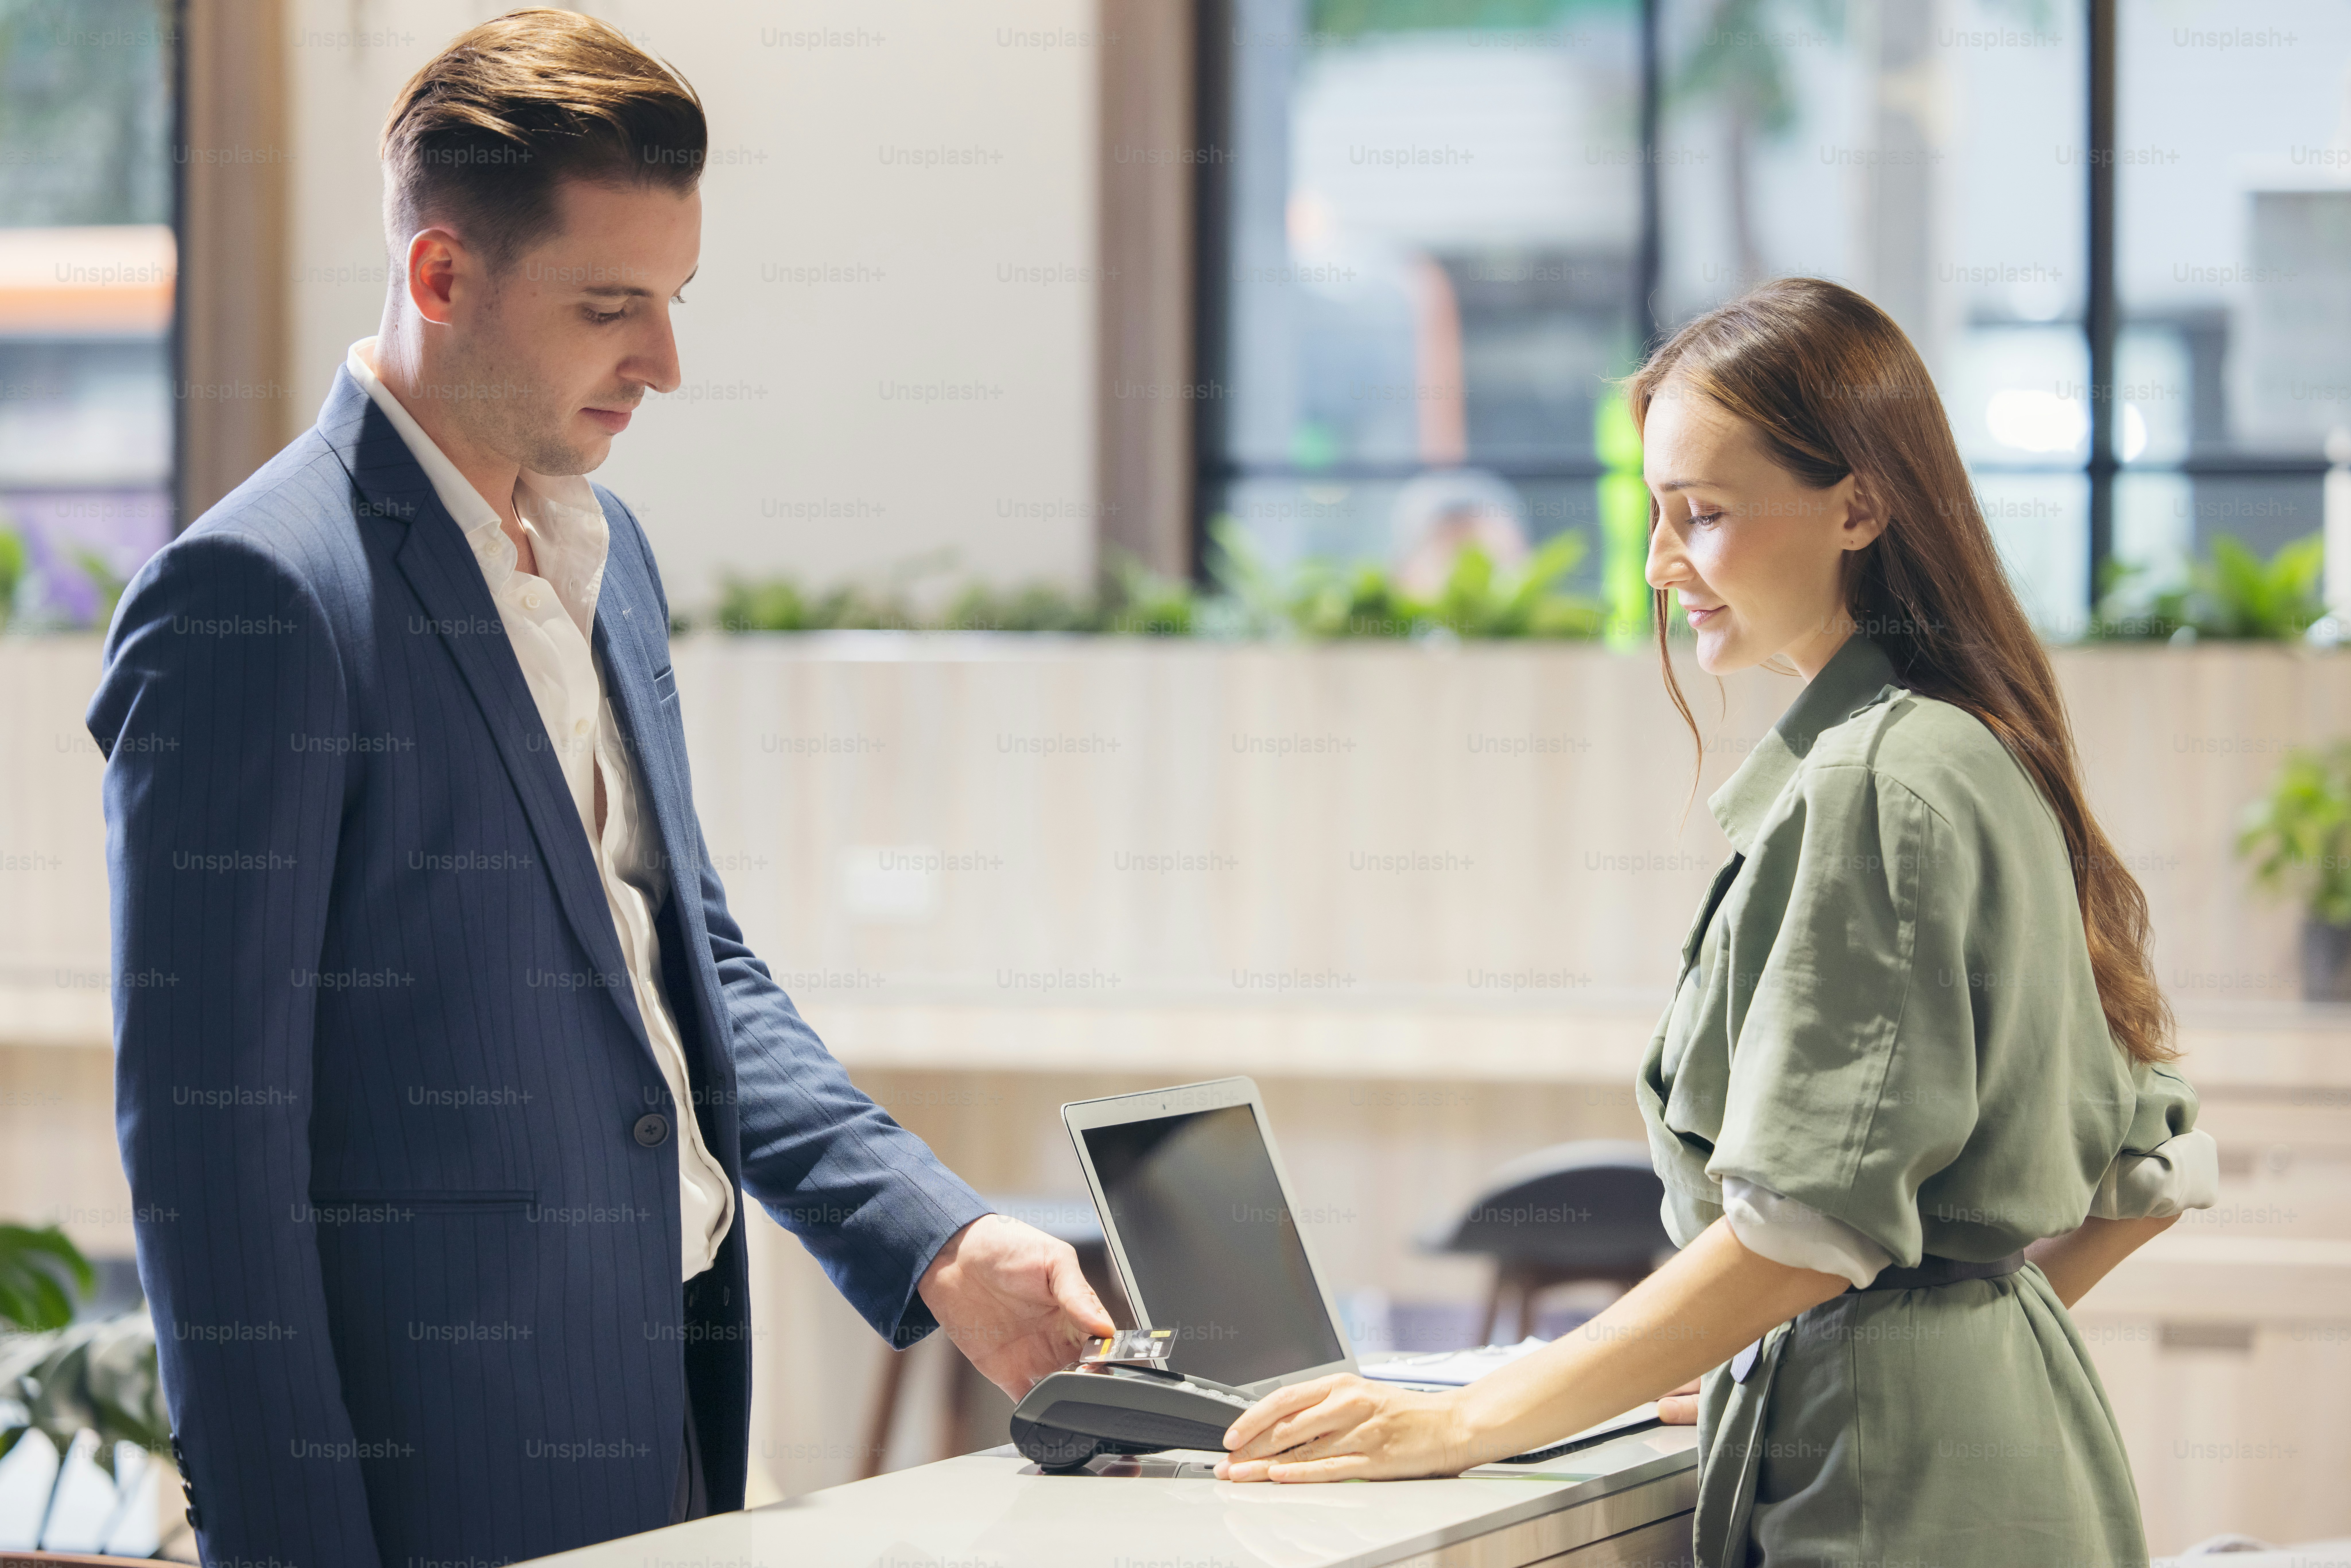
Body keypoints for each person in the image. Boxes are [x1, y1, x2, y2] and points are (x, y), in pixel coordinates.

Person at [86, 13, 1110, 1565]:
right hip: (427, 1493)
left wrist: (945, 1240)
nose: (668, 363)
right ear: (441, 278)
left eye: (676, 299)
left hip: (671, 1432)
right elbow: (211, 1160)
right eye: (611, 306)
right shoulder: (255, 596)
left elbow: (688, 981)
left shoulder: (603, 559)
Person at [1215, 278, 2218, 1568]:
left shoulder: (1870, 783)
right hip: (2009, 1464)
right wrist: (1816, 1346)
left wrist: (1469, 1419)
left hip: (1882, 1504)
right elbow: (2153, 1177)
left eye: (1700, 514)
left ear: (1858, 503)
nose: (1656, 563)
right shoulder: (1973, 749)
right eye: (1655, 513)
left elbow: (1802, 1230)